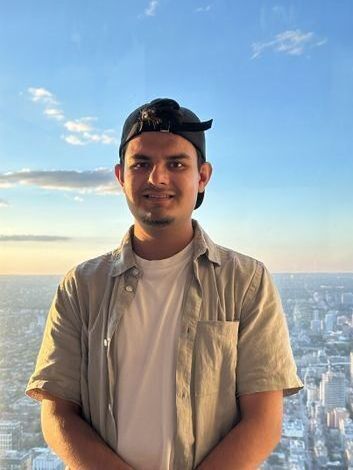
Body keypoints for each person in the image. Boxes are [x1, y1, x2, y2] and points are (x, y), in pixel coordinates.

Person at [26, 97, 303, 470]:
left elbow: (263, 422)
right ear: (120, 176)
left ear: (202, 176)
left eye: (176, 164)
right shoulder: (81, 287)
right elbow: (57, 414)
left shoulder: (246, 281)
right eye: (141, 164)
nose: (157, 178)